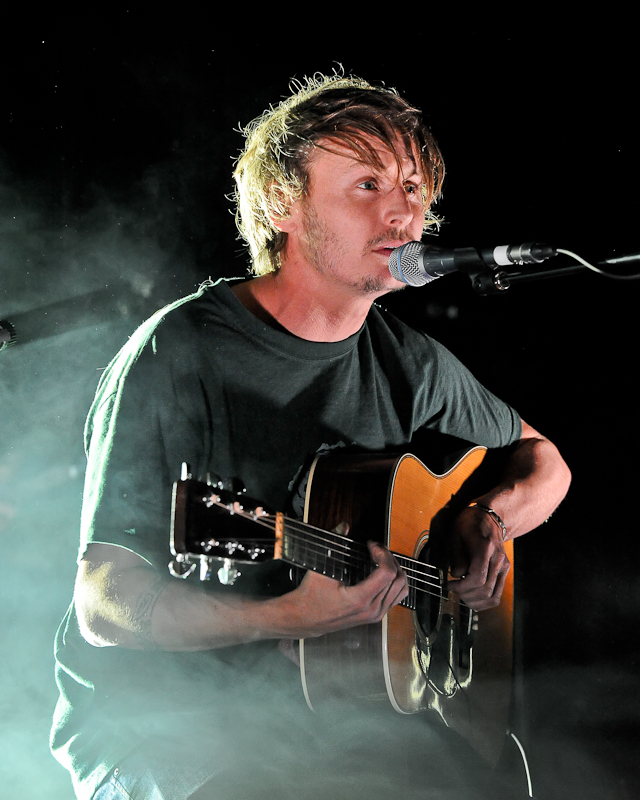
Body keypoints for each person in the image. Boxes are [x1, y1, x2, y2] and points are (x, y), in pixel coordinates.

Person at [50, 73, 571, 800]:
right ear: (281, 204)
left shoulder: (406, 360)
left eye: (415, 189)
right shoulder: (179, 354)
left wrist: (487, 521)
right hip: (164, 729)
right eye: (367, 185)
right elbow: (103, 604)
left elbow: (546, 463)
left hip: (324, 718)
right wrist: (289, 616)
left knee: (496, 780)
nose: (403, 212)